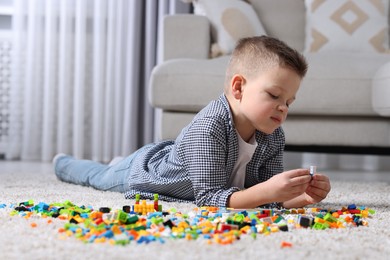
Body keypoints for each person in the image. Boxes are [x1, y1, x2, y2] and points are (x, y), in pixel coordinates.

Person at [54, 36, 331, 208]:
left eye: (289, 102)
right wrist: (268, 191)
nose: (283, 108)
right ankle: (63, 162)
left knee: (109, 170)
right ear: (238, 88)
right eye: (274, 96)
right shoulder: (210, 127)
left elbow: (266, 197)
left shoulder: (273, 135)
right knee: (98, 177)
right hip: (146, 173)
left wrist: (304, 197)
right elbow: (210, 198)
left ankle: (116, 162)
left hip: (182, 159)